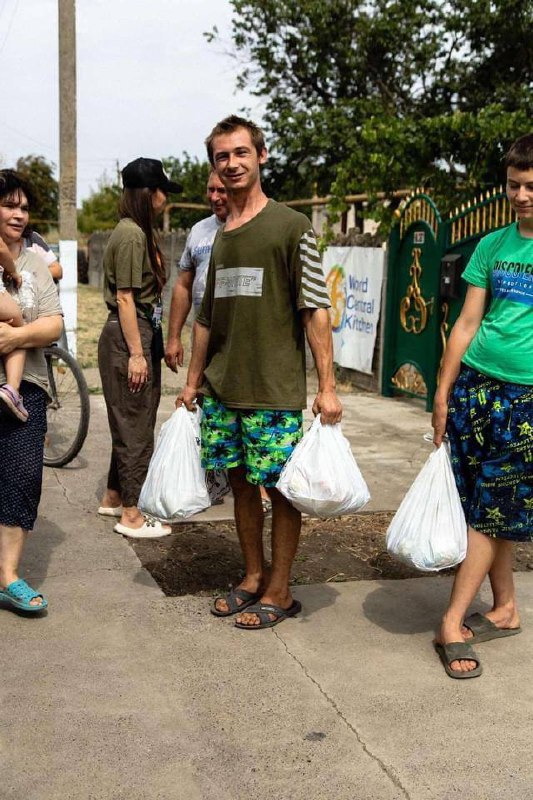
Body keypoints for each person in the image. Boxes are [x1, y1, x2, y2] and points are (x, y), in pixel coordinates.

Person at [177, 115, 342, 628]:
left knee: (280, 489)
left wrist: (328, 386)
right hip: (223, 389)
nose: (231, 164)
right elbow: (207, 319)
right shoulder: (219, 236)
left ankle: (280, 588)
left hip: (273, 391)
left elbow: (315, 309)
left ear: (261, 156)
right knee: (242, 487)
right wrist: (191, 381)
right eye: (222, 157)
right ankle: (252, 576)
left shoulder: (291, 227)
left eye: (240, 153)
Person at [432, 133, 533, 679]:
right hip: (477, 387)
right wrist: (443, 392)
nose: (521, 196)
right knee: (482, 502)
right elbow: (466, 324)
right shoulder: (492, 246)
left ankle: (452, 619)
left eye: (531, 186)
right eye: (515, 185)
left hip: (527, 401)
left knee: (491, 508)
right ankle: (507, 607)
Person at [98, 158, 182, 538]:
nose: (166, 197)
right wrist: (136, 353)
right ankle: (132, 514)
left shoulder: (135, 232)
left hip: (138, 331)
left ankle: (115, 495)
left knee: (130, 418)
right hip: (130, 332)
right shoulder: (131, 234)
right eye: (162, 189)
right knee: (136, 423)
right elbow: (126, 298)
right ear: (149, 193)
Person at [0, 171, 63, 613]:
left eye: (24, 207)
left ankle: (8, 576)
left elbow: (55, 323)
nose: (19, 214)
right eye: (9, 205)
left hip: (27, 389)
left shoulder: (37, 263)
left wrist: (14, 340)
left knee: (22, 477)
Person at [165, 170, 228, 370]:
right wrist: (174, 337)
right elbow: (183, 285)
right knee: (201, 395)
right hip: (203, 340)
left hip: (238, 342)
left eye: (222, 190)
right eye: (211, 190)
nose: (215, 197)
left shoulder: (252, 228)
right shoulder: (199, 230)